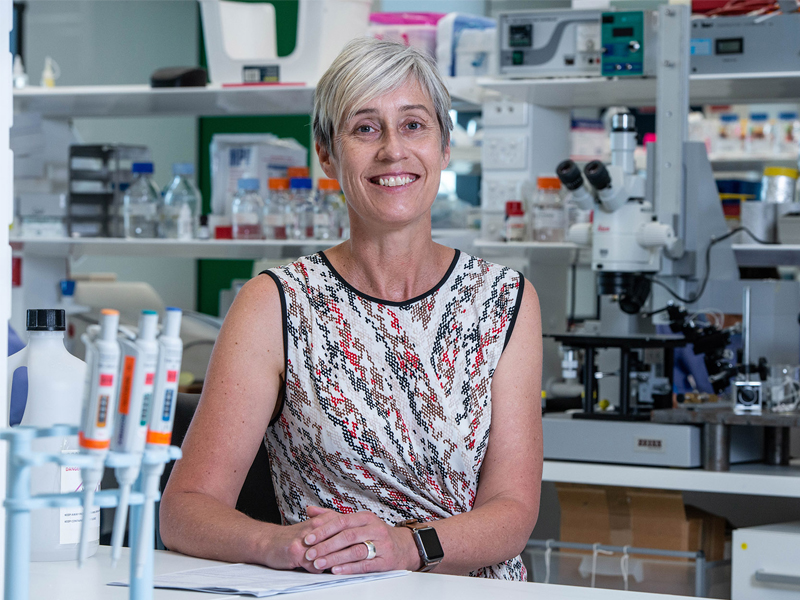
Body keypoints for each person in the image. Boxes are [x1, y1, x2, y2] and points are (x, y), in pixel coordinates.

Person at [160, 37, 543, 581]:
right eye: (365, 128)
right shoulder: (276, 303)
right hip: (328, 589)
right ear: (326, 153)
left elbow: (513, 512)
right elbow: (185, 510)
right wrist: (281, 545)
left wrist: (406, 548)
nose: (392, 150)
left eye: (414, 125)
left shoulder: (505, 299)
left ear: (444, 145)